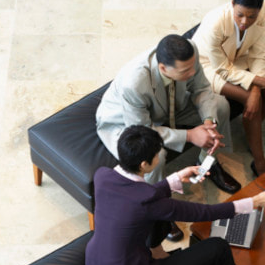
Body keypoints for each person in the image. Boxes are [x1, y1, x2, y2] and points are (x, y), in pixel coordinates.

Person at [86, 126, 265, 265]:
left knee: (155, 216)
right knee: (217, 247)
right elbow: (206, 213)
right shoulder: (148, 201)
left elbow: (136, 198)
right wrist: (256, 201)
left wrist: (175, 178)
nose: (159, 158)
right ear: (143, 164)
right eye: (157, 155)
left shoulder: (102, 175)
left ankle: (158, 254)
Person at [97, 34, 241, 194]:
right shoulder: (134, 84)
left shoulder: (190, 52)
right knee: (153, 157)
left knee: (220, 105)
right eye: (186, 70)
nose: (193, 72)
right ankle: (155, 201)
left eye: (193, 67)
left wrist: (208, 123)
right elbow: (142, 131)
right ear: (163, 68)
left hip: (165, 108)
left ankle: (207, 164)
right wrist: (190, 135)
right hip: (125, 124)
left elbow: (201, 89)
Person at [192, 0, 265, 177]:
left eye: (251, 16)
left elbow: (258, 52)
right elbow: (222, 68)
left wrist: (258, 88)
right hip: (209, 66)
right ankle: (259, 159)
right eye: (240, 14)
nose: (245, 22)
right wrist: (260, 84)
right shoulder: (215, 23)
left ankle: (252, 129)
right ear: (232, 4)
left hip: (237, 57)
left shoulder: (262, 11)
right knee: (250, 97)